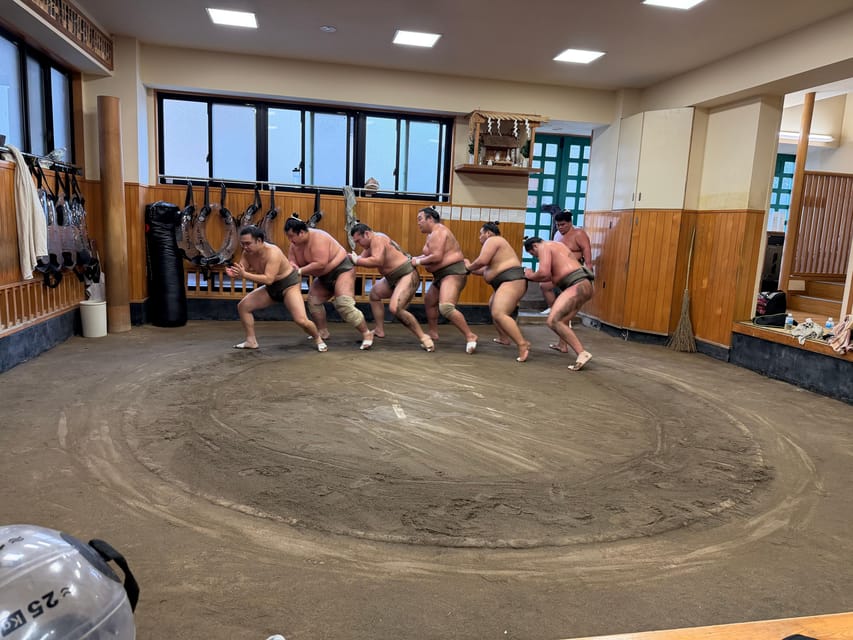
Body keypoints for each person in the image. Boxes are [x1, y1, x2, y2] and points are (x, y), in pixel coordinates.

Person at [226, 225, 326, 351]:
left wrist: (244, 275)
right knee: (243, 306)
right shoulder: (247, 253)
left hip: (288, 285)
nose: (245, 247)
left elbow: (268, 278)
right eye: (243, 244)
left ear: (259, 241)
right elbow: (242, 270)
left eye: (248, 243)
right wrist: (234, 274)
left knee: (301, 320)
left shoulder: (273, 252)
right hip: (271, 287)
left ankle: (318, 338)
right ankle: (251, 341)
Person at [284, 216, 374, 349]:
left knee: (344, 304)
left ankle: (367, 334)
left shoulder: (319, 237)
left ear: (301, 233)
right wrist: (293, 265)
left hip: (342, 270)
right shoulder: (294, 245)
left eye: (292, 236)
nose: (290, 240)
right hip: (323, 276)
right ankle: (322, 331)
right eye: (288, 237)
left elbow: (320, 263)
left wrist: (300, 271)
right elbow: (292, 260)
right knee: (313, 301)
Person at [349, 222, 435, 351]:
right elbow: (360, 258)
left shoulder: (377, 239)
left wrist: (357, 260)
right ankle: (379, 330)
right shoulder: (369, 245)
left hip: (406, 274)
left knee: (395, 309)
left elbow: (377, 261)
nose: (357, 244)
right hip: (392, 278)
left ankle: (424, 337)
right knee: (374, 294)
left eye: (358, 240)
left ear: (366, 234)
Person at [410, 206, 478, 353]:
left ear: (430, 219)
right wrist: (415, 258)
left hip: (453, 272)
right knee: (430, 301)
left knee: (446, 308)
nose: (418, 223)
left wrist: (419, 262)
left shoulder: (439, 231)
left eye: (420, 219)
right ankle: (433, 333)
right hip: (441, 275)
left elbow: (437, 256)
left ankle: (470, 336)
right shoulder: (431, 235)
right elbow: (430, 254)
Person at [523, 236, 595, 371]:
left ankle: (582, 353)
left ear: (534, 246)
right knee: (563, 319)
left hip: (577, 284)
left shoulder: (544, 246)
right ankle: (563, 345)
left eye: (534, 255)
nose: (537, 258)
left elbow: (543, 273)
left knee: (553, 321)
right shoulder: (557, 246)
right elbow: (554, 275)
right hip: (586, 285)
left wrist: (530, 274)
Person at [464, 221, 530, 362]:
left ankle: (523, 344)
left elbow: (482, 260)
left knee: (499, 312)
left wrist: (469, 267)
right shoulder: (497, 248)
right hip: (505, 282)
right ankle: (503, 338)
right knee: (492, 305)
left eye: (480, 234)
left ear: (488, 233)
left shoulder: (493, 240)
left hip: (512, 280)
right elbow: (485, 270)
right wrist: (469, 267)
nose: (479, 237)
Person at [540, 208, 592, 315]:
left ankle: (566, 314)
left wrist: (589, 266)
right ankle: (553, 307)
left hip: (573, 270)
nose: (560, 227)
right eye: (558, 225)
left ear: (570, 222)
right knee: (544, 285)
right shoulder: (557, 235)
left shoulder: (579, 234)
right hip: (558, 269)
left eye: (563, 224)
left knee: (569, 293)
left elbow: (586, 249)